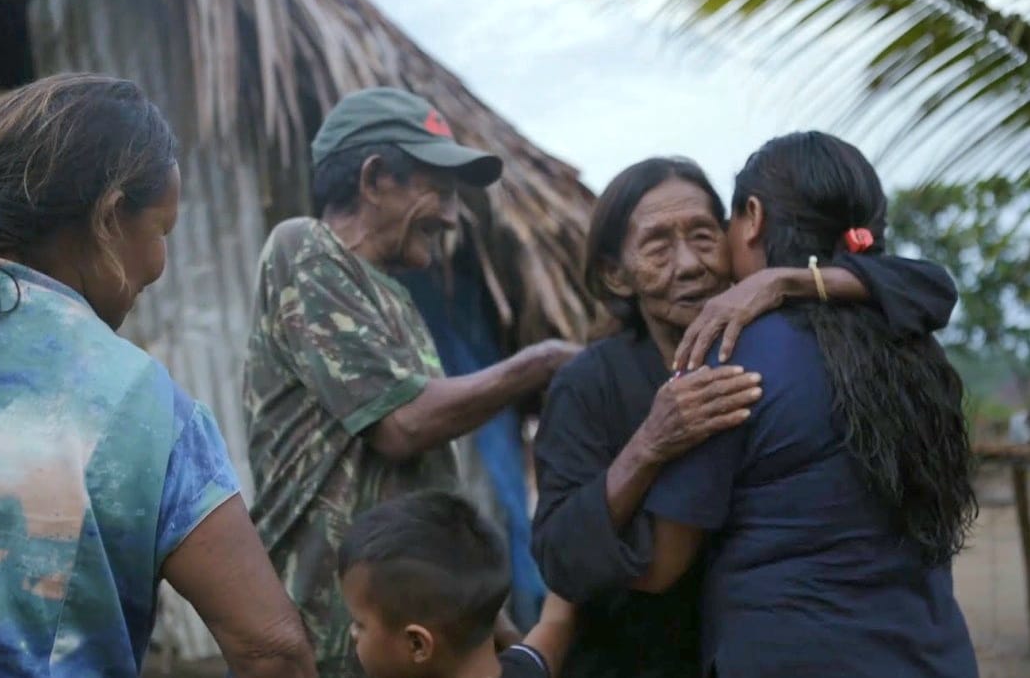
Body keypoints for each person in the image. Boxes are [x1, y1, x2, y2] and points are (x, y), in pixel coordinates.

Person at [0, 74, 316, 678]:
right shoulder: (145, 405)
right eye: (162, 232)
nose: (160, 264)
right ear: (108, 218)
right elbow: (272, 649)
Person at [532, 156, 959, 677]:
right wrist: (649, 445)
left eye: (704, 235)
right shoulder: (586, 385)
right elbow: (559, 553)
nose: (688, 264)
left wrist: (789, 280)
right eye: (658, 245)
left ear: (738, 237)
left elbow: (927, 285)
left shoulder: (763, 348)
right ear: (615, 274)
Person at [243, 87, 581, 678]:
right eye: (440, 189)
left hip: (403, 649)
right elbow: (403, 426)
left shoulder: (395, 303)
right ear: (375, 180)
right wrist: (541, 362)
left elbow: (425, 488)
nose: (452, 216)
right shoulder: (305, 249)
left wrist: (496, 638)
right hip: (320, 645)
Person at [338, 490, 576, 678]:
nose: (353, 633)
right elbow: (556, 623)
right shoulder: (525, 670)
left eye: (360, 624)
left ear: (417, 644)